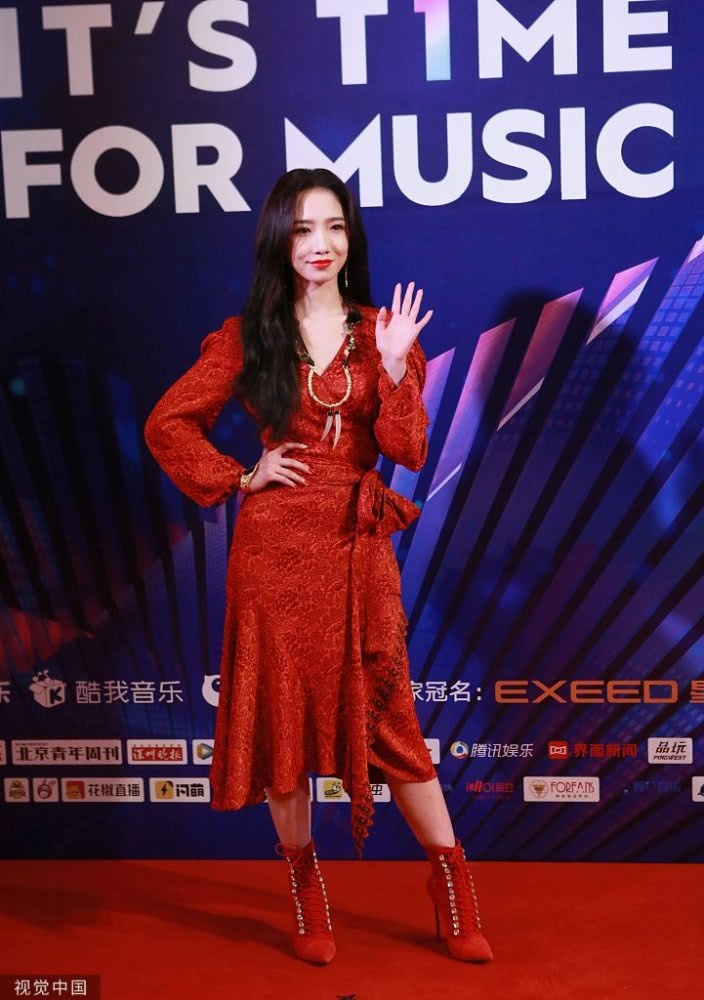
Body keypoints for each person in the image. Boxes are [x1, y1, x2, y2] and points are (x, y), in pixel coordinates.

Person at [143, 168, 492, 965]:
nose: (320, 244)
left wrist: (397, 369)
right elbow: (169, 425)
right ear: (280, 239)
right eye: (303, 228)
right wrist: (240, 476)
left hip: (356, 547)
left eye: (334, 226)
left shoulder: (383, 332)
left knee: (391, 718)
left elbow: (408, 450)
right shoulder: (248, 336)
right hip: (273, 553)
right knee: (284, 721)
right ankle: (303, 883)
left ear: (350, 238)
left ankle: (450, 878)